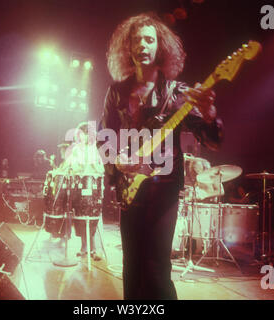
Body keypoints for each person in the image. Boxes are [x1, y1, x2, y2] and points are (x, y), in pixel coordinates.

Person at [99, 13, 223, 299]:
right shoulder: (116, 92)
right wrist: (119, 161)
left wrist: (209, 113)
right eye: (136, 40)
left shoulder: (178, 94)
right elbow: (104, 136)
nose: (142, 45)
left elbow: (212, 140)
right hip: (130, 189)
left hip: (164, 190)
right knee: (131, 267)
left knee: (156, 268)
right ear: (128, 48)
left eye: (149, 39)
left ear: (160, 47)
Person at [67, 122, 105, 261]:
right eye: (78, 134)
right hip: (81, 188)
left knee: (94, 218)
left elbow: (102, 170)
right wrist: (76, 167)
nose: (79, 136)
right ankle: (83, 247)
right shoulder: (76, 150)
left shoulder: (95, 149)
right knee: (81, 217)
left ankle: (96, 249)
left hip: (94, 189)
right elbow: (73, 167)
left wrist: (94, 166)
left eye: (81, 134)